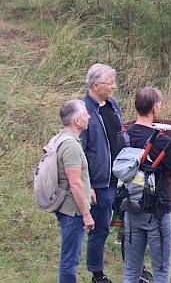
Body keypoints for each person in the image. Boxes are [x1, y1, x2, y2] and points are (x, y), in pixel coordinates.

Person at [122, 87, 171, 283]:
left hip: (131, 208)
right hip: (158, 211)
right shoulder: (162, 141)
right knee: (161, 271)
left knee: (131, 270)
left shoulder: (123, 137)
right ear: (155, 108)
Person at [81, 63, 124, 283]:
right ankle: (97, 274)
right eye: (110, 83)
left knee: (126, 223)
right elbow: (79, 153)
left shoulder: (113, 104)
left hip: (121, 176)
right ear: (96, 85)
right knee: (99, 228)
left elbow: (119, 134)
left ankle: (135, 270)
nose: (114, 87)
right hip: (99, 181)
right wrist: (86, 185)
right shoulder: (82, 111)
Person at [55, 99, 96, 283]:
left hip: (68, 207)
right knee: (70, 261)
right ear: (77, 122)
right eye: (85, 113)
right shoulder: (71, 145)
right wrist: (86, 214)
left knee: (70, 258)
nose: (88, 116)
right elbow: (75, 183)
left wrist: (90, 190)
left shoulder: (62, 138)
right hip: (73, 211)